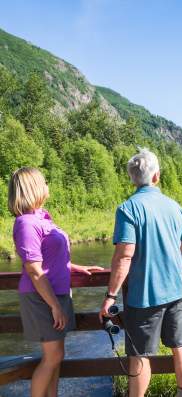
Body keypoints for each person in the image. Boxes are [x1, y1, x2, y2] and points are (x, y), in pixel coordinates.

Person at [99, 149, 182, 397]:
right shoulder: (175, 207)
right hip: (177, 290)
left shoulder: (128, 209)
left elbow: (124, 256)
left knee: (139, 356)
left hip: (144, 296)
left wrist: (110, 295)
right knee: (180, 346)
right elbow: (181, 246)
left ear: (132, 178)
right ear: (156, 176)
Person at [9, 167, 103, 397]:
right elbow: (34, 269)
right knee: (53, 357)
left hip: (56, 294)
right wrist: (54, 306)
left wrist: (76, 267)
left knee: (57, 357)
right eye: (44, 182)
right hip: (42, 297)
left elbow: (51, 258)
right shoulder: (26, 224)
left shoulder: (42, 217)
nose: (47, 185)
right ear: (33, 188)